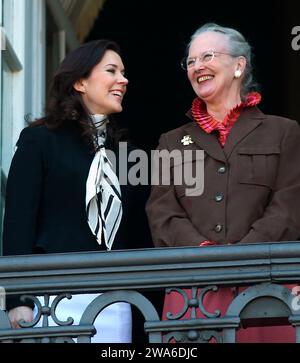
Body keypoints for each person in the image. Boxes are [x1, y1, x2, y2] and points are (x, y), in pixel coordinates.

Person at [146, 23, 300, 342]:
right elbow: (162, 211)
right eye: (190, 61)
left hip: (266, 286)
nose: (197, 66)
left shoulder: (284, 132)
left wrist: (242, 256)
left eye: (208, 56)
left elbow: (289, 205)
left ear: (239, 66)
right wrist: (204, 254)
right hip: (193, 290)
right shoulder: (171, 141)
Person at [2, 39, 151, 343]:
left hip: (115, 299)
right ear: (81, 82)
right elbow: (18, 223)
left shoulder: (129, 155)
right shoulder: (39, 141)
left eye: (123, 72)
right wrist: (17, 299)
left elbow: (139, 234)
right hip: (53, 297)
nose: (123, 79)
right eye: (112, 70)